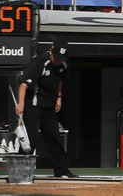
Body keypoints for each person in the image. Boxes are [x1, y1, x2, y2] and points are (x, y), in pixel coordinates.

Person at [16, 38, 74, 178]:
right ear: (51, 51)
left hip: (49, 105)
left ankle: (62, 170)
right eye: (57, 57)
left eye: (62, 58)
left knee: (54, 137)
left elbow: (59, 79)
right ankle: (20, 171)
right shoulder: (39, 62)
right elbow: (23, 85)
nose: (59, 61)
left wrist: (59, 97)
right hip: (33, 104)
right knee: (30, 138)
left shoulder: (64, 64)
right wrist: (21, 104)